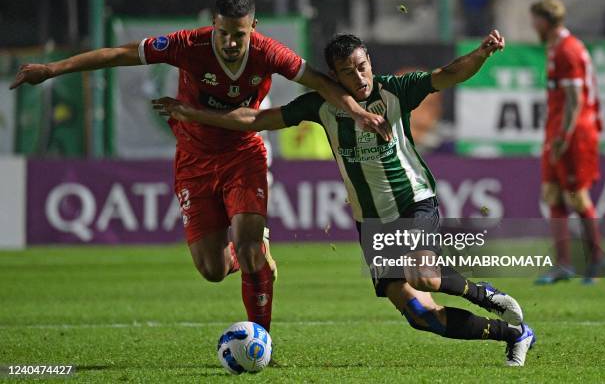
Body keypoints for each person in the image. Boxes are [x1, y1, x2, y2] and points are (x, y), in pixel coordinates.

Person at [9, 0, 390, 333]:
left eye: (239, 35)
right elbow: (120, 54)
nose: (229, 42)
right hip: (194, 161)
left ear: (252, 28)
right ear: (213, 25)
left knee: (249, 246)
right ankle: (252, 254)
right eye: (223, 33)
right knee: (213, 270)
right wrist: (53, 69)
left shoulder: (268, 52)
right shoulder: (188, 44)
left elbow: (322, 83)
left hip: (243, 153)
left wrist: (359, 113)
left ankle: (261, 338)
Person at [153, 32, 537, 366]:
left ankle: (485, 294)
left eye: (363, 65)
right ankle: (514, 335)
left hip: (414, 202)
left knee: (424, 273)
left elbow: (450, 74)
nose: (360, 76)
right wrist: (193, 113)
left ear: (370, 61)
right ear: (334, 77)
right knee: (421, 315)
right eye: (349, 71)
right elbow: (256, 120)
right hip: (372, 223)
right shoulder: (322, 106)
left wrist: (482, 52)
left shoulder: (396, 91)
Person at [530, 0, 605, 285]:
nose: (532, 25)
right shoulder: (555, 48)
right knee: (552, 193)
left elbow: (575, 100)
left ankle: (596, 261)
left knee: (578, 196)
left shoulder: (568, 50)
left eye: (535, 19)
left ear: (545, 21)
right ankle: (563, 264)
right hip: (558, 129)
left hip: (575, 133)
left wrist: (564, 136)